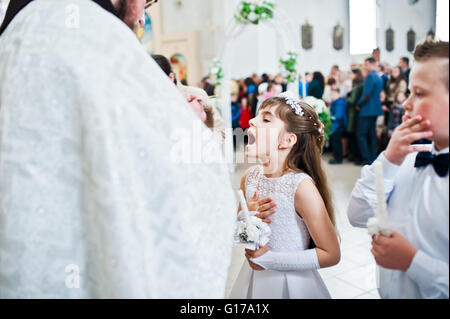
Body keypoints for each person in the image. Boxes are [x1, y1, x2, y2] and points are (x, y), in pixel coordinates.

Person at [0, 0, 236, 298]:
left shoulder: (21, 27)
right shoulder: (90, 32)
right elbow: (189, 183)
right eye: (146, 3)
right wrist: (183, 131)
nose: (141, 17)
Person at [347, 40, 449, 299]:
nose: (406, 103)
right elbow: (357, 215)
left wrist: (413, 262)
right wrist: (389, 159)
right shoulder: (404, 159)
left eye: (420, 93)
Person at [230, 93, 340, 299]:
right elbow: (239, 229)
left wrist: (269, 259)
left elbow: (331, 254)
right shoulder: (249, 177)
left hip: (293, 285)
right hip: (255, 281)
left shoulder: (301, 187)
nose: (252, 120)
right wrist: (247, 215)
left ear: (287, 140)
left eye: (266, 119)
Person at [355, 57, 383, 165]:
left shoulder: (370, 77)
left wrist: (359, 104)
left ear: (372, 64)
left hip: (367, 109)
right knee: (372, 134)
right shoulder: (378, 77)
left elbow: (367, 94)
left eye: (366, 64)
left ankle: (367, 158)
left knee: (360, 134)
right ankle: (372, 157)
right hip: (375, 109)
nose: (365, 67)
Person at [345, 68, 364, 163]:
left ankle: (356, 156)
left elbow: (352, 101)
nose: (350, 76)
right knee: (353, 136)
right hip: (355, 112)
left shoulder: (357, 86)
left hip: (353, 113)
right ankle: (354, 155)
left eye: (351, 74)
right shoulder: (358, 84)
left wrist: (346, 97)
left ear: (356, 75)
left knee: (353, 136)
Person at [329, 89, 347, 164]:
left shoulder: (340, 103)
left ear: (338, 94)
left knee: (337, 142)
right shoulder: (336, 102)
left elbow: (338, 116)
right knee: (335, 142)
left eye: (333, 94)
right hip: (336, 125)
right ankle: (337, 157)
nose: (332, 96)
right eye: (331, 95)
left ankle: (338, 159)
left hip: (338, 126)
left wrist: (329, 117)